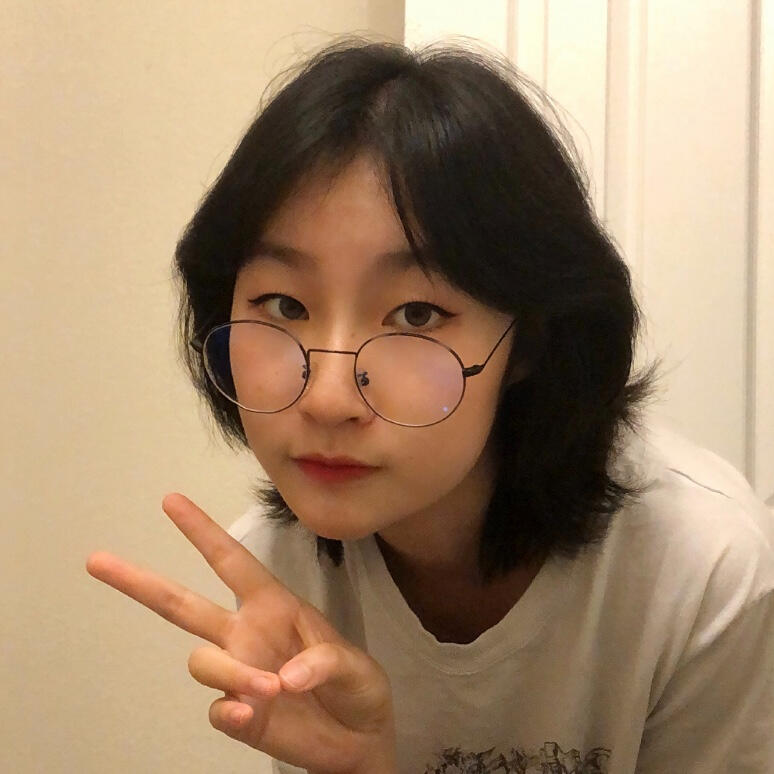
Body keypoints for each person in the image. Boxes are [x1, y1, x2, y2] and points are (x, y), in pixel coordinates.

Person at [86, 38, 774, 773]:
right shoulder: (281, 573)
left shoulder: (701, 569)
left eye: (415, 315)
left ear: (530, 341)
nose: (327, 399)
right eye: (283, 305)